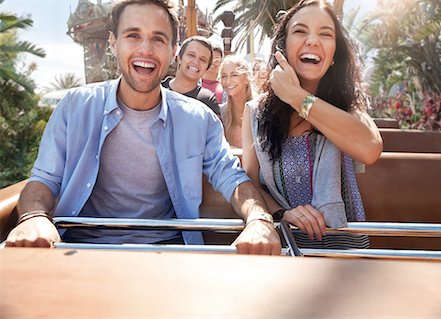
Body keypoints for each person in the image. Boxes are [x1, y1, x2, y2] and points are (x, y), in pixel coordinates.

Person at [6, 0, 281, 255]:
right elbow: (44, 180)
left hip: (168, 249)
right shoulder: (75, 106)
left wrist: (259, 219)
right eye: (133, 36)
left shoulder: (198, 119)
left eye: (158, 39)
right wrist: (33, 218)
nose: (146, 50)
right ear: (113, 43)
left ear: (173, 50)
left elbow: (232, 178)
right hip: (80, 248)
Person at [242, 0, 382, 248]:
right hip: (281, 243)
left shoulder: (348, 107)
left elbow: (370, 148)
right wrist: (281, 212)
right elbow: (250, 183)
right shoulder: (255, 112)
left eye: (325, 34)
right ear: (283, 46)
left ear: (334, 56)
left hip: (343, 252)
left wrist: (297, 97)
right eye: (300, 31)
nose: (312, 41)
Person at [162, 36, 220, 115]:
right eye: (191, 55)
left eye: (203, 59)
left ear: (207, 68)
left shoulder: (208, 101)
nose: (196, 62)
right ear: (179, 58)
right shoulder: (157, 91)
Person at [219, 55, 254, 148]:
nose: (228, 81)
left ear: (246, 78)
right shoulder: (221, 114)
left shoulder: (262, 110)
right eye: (224, 76)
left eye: (234, 75)